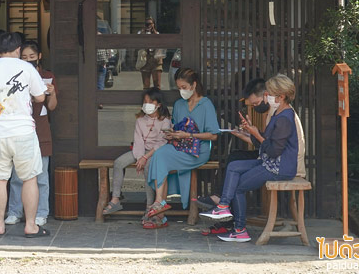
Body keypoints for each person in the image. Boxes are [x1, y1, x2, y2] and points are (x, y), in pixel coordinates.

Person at [196, 77, 307, 236]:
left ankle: (239, 229)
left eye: (270, 94)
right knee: (234, 166)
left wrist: (256, 134)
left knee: (238, 186)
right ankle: (223, 206)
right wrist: (250, 131)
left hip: (278, 168)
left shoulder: (284, 118)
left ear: (281, 96)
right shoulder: (278, 112)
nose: (267, 97)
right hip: (271, 163)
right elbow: (268, 143)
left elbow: (274, 151)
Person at [0, 32, 48, 238]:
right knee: (30, 178)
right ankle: (31, 225)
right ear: (18, 50)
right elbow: (40, 96)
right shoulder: (27, 67)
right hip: (22, 131)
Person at [145, 68, 220, 228]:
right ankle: (159, 204)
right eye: (179, 88)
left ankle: (159, 210)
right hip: (179, 147)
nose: (182, 91)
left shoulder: (206, 105)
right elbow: (177, 127)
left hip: (198, 151)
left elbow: (213, 135)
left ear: (194, 85)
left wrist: (189, 136)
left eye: (184, 88)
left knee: (161, 159)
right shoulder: (179, 104)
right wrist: (172, 134)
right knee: (160, 155)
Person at [5, 40, 57, 227]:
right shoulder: (13, 77)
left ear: (39, 57)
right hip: (20, 129)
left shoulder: (48, 76)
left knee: (41, 176)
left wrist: (51, 93)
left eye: (32, 57)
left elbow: (52, 107)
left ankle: (41, 213)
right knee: (17, 176)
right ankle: (14, 211)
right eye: (24, 57)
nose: (28, 61)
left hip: (41, 129)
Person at [101, 88, 171, 228]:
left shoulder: (165, 121)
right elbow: (138, 140)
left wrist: (145, 157)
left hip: (154, 153)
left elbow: (162, 143)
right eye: (145, 102)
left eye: (151, 102)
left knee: (149, 169)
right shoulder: (140, 120)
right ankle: (115, 199)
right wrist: (140, 157)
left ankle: (149, 207)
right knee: (119, 162)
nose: (147, 104)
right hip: (140, 151)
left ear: (159, 104)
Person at [136, 17, 163, 90]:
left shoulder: (156, 33)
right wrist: (144, 31)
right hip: (145, 60)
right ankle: (147, 100)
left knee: (157, 85)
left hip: (155, 60)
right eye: (147, 24)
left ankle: (157, 100)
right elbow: (138, 41)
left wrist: (153, 30)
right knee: (146, 85)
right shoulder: (141, 33)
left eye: (150, 24)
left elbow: (159, 42)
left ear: (153, 24)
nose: (148, 25)